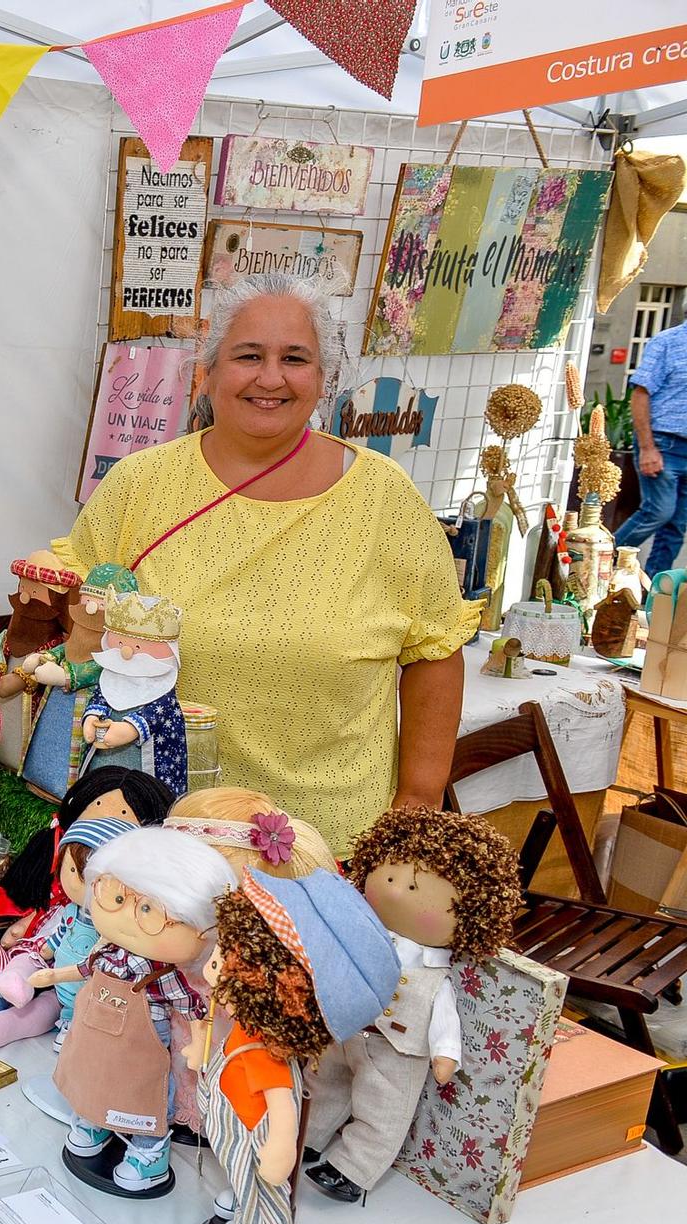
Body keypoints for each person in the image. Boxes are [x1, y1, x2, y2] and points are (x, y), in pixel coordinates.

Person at [56, 273, 476, 856]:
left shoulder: (384, 499)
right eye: (248, 355)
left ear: (323, 379)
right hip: (152, 843)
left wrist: (417, 804)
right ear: (207, 373)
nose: (271, 378)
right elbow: (72, 629)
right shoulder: (138, 487)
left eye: (295, 358)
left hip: (329, 848)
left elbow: (434, 649)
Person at [617, 319, 687, 574]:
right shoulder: (667, 342)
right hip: (663, 444)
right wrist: (647, 448)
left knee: (677, 526)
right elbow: (640, 395)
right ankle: (590, 563)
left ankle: (655, 593)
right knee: (658, 512)